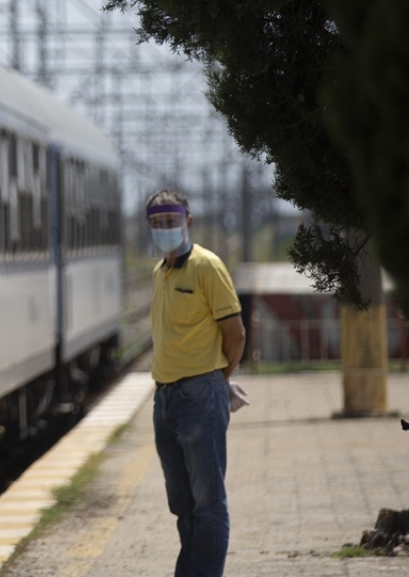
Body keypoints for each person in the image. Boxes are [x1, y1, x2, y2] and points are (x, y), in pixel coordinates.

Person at [146, 189, 247, 577]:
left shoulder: (207, 266)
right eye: (157, 223)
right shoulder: (160, 272)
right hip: (165, 401)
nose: (164, 229)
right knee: (183, 505)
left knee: (208, 504)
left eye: (171, 221)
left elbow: (235, 334)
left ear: (187, 221)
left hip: (200, 397)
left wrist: (218, 381)